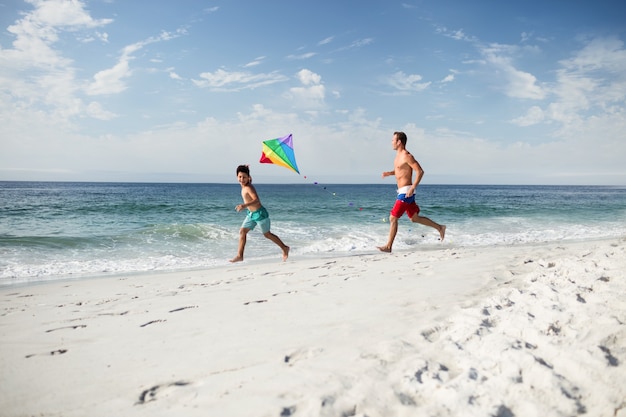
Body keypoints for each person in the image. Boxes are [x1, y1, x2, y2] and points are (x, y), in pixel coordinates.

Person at [377, 131, 446, 253]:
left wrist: (413, 187)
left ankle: (388, 246)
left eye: (393, 140)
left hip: (406, 192)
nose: (391, 142)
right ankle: (440, 227)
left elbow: (420, 171)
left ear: (399, 142)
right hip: (402, 191)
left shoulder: (407, 155)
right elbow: (401, 170)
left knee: (393, 218)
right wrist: (389, 173)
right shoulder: (398, 157)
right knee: (414, 218)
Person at [230, 165, 290, 262]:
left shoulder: (248, 187)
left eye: (244, 177)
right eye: (240, 177)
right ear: (237, 177)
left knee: (267, 234)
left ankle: (284, 248)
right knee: (242, 231)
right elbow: (248, 180)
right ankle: (240, 256)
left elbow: (256, 200)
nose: (242, 179)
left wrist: (244, 205)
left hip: (260, 214)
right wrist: (246, 169)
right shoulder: (244, 185)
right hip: (251, 214)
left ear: (248, 178)